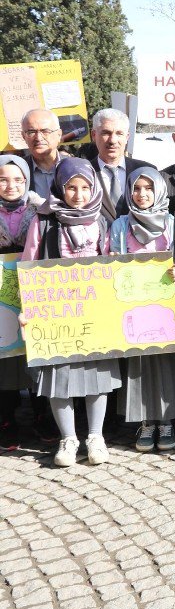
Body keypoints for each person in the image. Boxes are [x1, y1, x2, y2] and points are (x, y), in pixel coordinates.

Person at [20, 158, 122, 467]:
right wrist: (26, 307)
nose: (78, 194)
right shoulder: (45, 220)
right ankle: (67, 438)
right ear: (60, 188)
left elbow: (111, 262)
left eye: (85, 187)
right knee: (58, 376)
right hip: (56, 313)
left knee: (97, 375)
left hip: (95, 311)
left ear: (93, 189)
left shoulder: (101, 220)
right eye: (71, 187)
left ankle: (95, 436)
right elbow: (28, 264)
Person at [110, 168, 175, 451]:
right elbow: (109, 259)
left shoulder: (172, 223)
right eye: (137, 188)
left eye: (149, 188)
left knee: (167, 365)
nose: (143, 194)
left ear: (159, 191)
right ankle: (146, 422)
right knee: (139, 366)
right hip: (133, 306)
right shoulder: (120, 226)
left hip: (165, 307)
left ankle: (166, 420)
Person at [0, 155, 43, 450]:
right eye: (2, 179)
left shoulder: (39, 212)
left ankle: (43, 418)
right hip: (2, 297)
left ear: (27, 181)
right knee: (4, 358)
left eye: (17, 179)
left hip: (33, 293)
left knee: (36, 352)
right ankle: (6, 420)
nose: (10, 185)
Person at [88, 108, 154, 222]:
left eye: (119, 133)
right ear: (94, 135)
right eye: (106, 133)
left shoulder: (147, 171)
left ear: (127, 137)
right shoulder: (84, 172)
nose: (113, 140)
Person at [20, 109, 67, 199]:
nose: (38, 138)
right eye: (31, 132)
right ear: (23, 136)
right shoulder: (17, 170)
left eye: (45, 131)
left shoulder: (76, 167)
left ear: (59, 134)